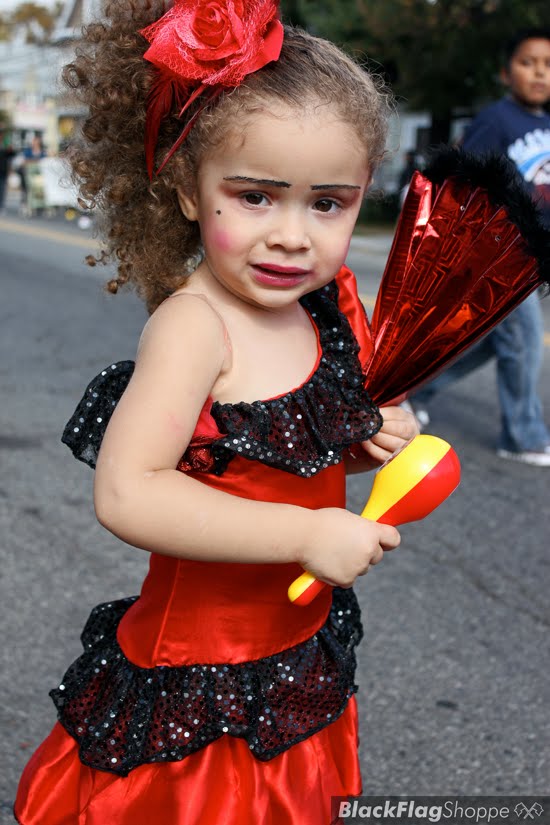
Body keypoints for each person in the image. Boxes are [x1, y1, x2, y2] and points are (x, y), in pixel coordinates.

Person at [14, 3, 418, 823]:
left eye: (328, 203)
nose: (293, 236)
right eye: (256, 197)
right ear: (189, 190)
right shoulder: (194, 327)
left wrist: (373, 437)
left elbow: (291, 446)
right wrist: (307, 535)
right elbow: (130, 492)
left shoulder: (320, 309)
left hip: (294, 652)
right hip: (197, 685)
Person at [410, 28, 550, 466]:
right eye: (529, 63)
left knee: (495, 342)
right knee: (524, 338)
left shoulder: (547, 124)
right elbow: (464, 179)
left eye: (548, 65)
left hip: (534, 254)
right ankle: (522, 435)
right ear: (507, 72)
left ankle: (411, 390)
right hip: (499, 250)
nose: (540, 72)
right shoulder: (495, 120)